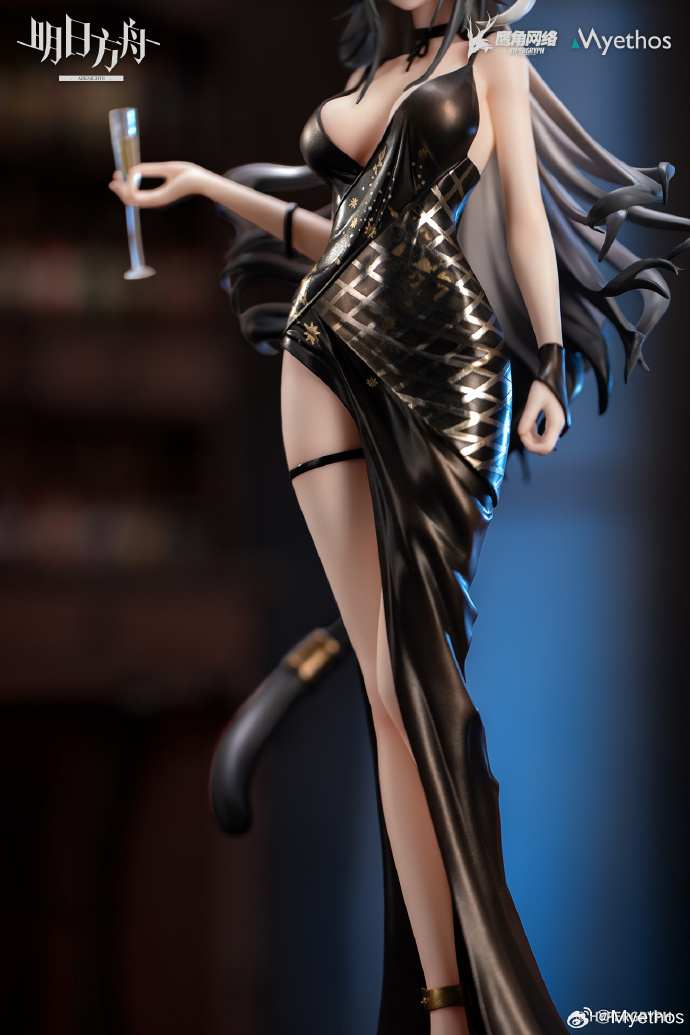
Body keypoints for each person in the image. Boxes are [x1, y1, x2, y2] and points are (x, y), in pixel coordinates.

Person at [109, 2, 688, 1032]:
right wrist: (204, 185)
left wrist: (549, 359)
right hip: (317, 353)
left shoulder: (493, 64)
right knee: (389, 693)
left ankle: (467, 1002)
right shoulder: (371, 74)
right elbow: (341, 237)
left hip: (446, 370)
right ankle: (439, 1001)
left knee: (421, 691)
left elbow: (522, 222)